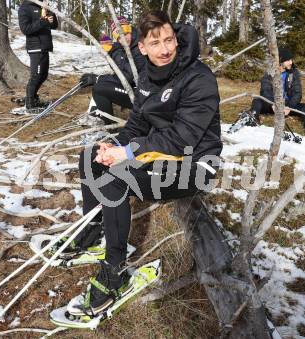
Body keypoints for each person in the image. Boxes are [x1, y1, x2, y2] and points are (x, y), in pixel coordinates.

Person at [71, 10, 222, 315]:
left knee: (116, 177)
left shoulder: (198, 77)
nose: (164, 49)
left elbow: (183, 138)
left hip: (196, 165)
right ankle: (96, 230)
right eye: (155, 43)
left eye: (169, 40)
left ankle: (115, 275)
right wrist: (114, 145)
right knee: (90, 156)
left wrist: (127, 154)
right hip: (163, 155)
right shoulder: (147, 76)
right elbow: (137, 124)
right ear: (142, 48)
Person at [79, 17, 146, 124]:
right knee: (102, 84)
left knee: (99, 88)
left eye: (125, 33)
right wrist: (111, 51)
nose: (123, 39)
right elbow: (120, 69)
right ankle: (96, 115)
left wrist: (97, 78)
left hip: (144, 96)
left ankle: (107, 126)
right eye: (119, 37)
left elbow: (126, 77)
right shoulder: (126, 46)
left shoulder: (139, 47)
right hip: (136, 88)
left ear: (130, 30)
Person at [249, 48, 305, 135]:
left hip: (287, 106)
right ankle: (252, 119)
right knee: (257, 101)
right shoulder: (270, 72)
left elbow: (297, 93)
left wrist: (289, 106)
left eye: (291, 60)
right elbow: (264, 91)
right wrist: (273, 103)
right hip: (272, 105)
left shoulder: (294, 73)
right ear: (280, 61)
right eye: (288, 60)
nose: (291, 62)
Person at [18, 0, 58, 112]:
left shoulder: (43, 7)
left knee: (43, 75)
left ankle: (33, 98)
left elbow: (54, 25)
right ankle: (30, 104)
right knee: (36, 75)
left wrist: (51, 15)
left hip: (45, 46)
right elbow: (25, 29)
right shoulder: (25, 7)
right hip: (35, 47)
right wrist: (43, 21)